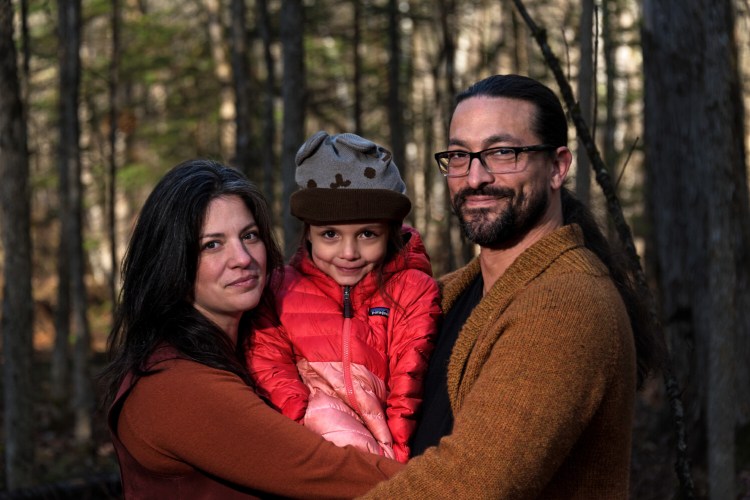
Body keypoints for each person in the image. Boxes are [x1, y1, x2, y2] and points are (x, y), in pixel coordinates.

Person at [360, 75, 662, 498]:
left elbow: (470, 484)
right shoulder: (443, 296)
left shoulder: (568, 304)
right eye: (460, 155)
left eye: (502, 153)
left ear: (557, 167)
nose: (475, 177)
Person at [101, 159, 403, 499]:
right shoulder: (174, 383)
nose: (242, 258)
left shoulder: (251, 351)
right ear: (172, 260)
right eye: (212, 244)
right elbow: (325, 468)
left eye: (249, 235)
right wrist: (453, 478)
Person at [246, 131, 441, 463]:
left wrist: (397, 469)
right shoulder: (279, 290)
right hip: (309, 454)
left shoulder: (411, 290)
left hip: (387, 462)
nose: (348, 253)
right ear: (308, 233)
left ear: (391, 232)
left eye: (367, 234)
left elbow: (409, 385)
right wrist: (299, 446)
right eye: (330, 235)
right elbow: (270, 369)